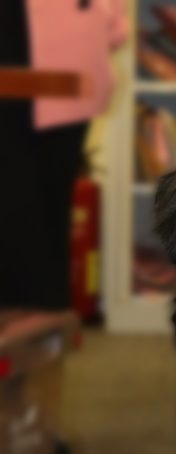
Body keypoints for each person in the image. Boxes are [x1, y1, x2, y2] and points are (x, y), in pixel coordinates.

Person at [0, 0, 128, 309]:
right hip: (71, 61)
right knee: (48, 199)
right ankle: (47, 311)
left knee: (22, 197)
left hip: (36, 66)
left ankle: (38, 310)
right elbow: (116, 28)